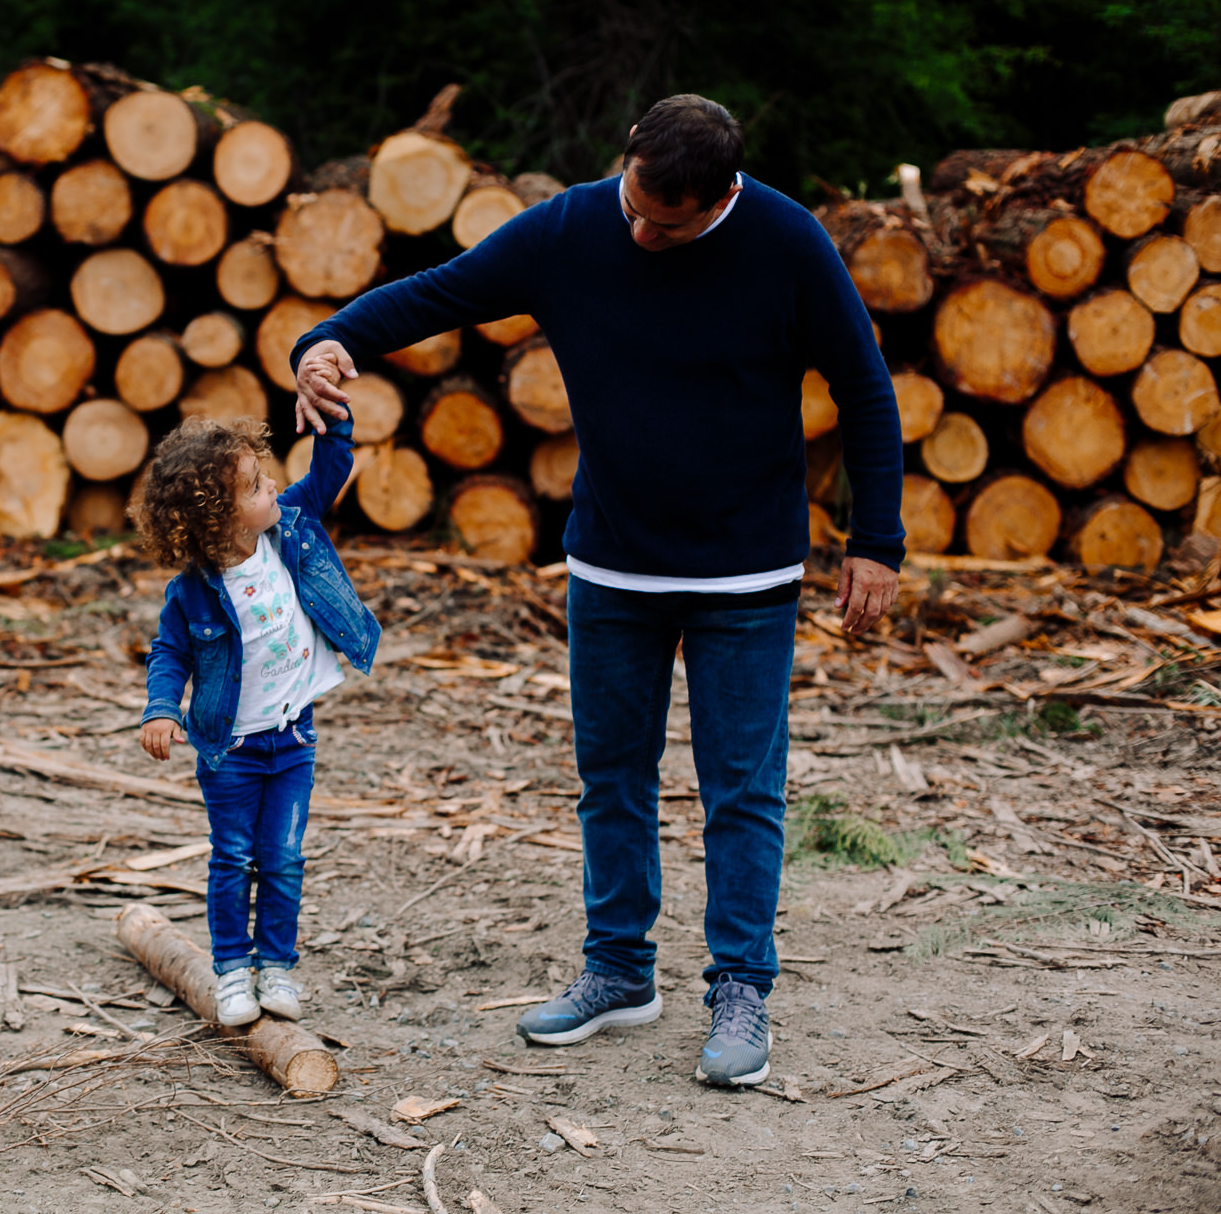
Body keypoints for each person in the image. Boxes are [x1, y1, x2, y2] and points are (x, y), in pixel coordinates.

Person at [290, 94, 903, 1087]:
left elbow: (865, 390)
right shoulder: (577, 224)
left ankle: (741, 985)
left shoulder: (787, 241)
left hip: (746, 569)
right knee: (610, 775)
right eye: (636, 202)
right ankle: (619, 968)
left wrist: (877, 539)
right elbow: (444, 289)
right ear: (626, 160)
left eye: (669, 222)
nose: (642, 230)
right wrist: (331, 340)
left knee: (741, 789)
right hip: (612, 562)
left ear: (721, 199)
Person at [132, 411, 381, 1026]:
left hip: (294, 738)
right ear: (219, 517)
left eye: (265, 478)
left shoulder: (288, 529)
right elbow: (169, 652)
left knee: (283, 857)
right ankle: (231, 972)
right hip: (229, 752)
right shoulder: (191, 592)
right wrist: (162, 709)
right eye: (254, 486)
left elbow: (330, 470)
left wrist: (335, 420)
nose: (271, 488)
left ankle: (277, 968)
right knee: (233, 857)